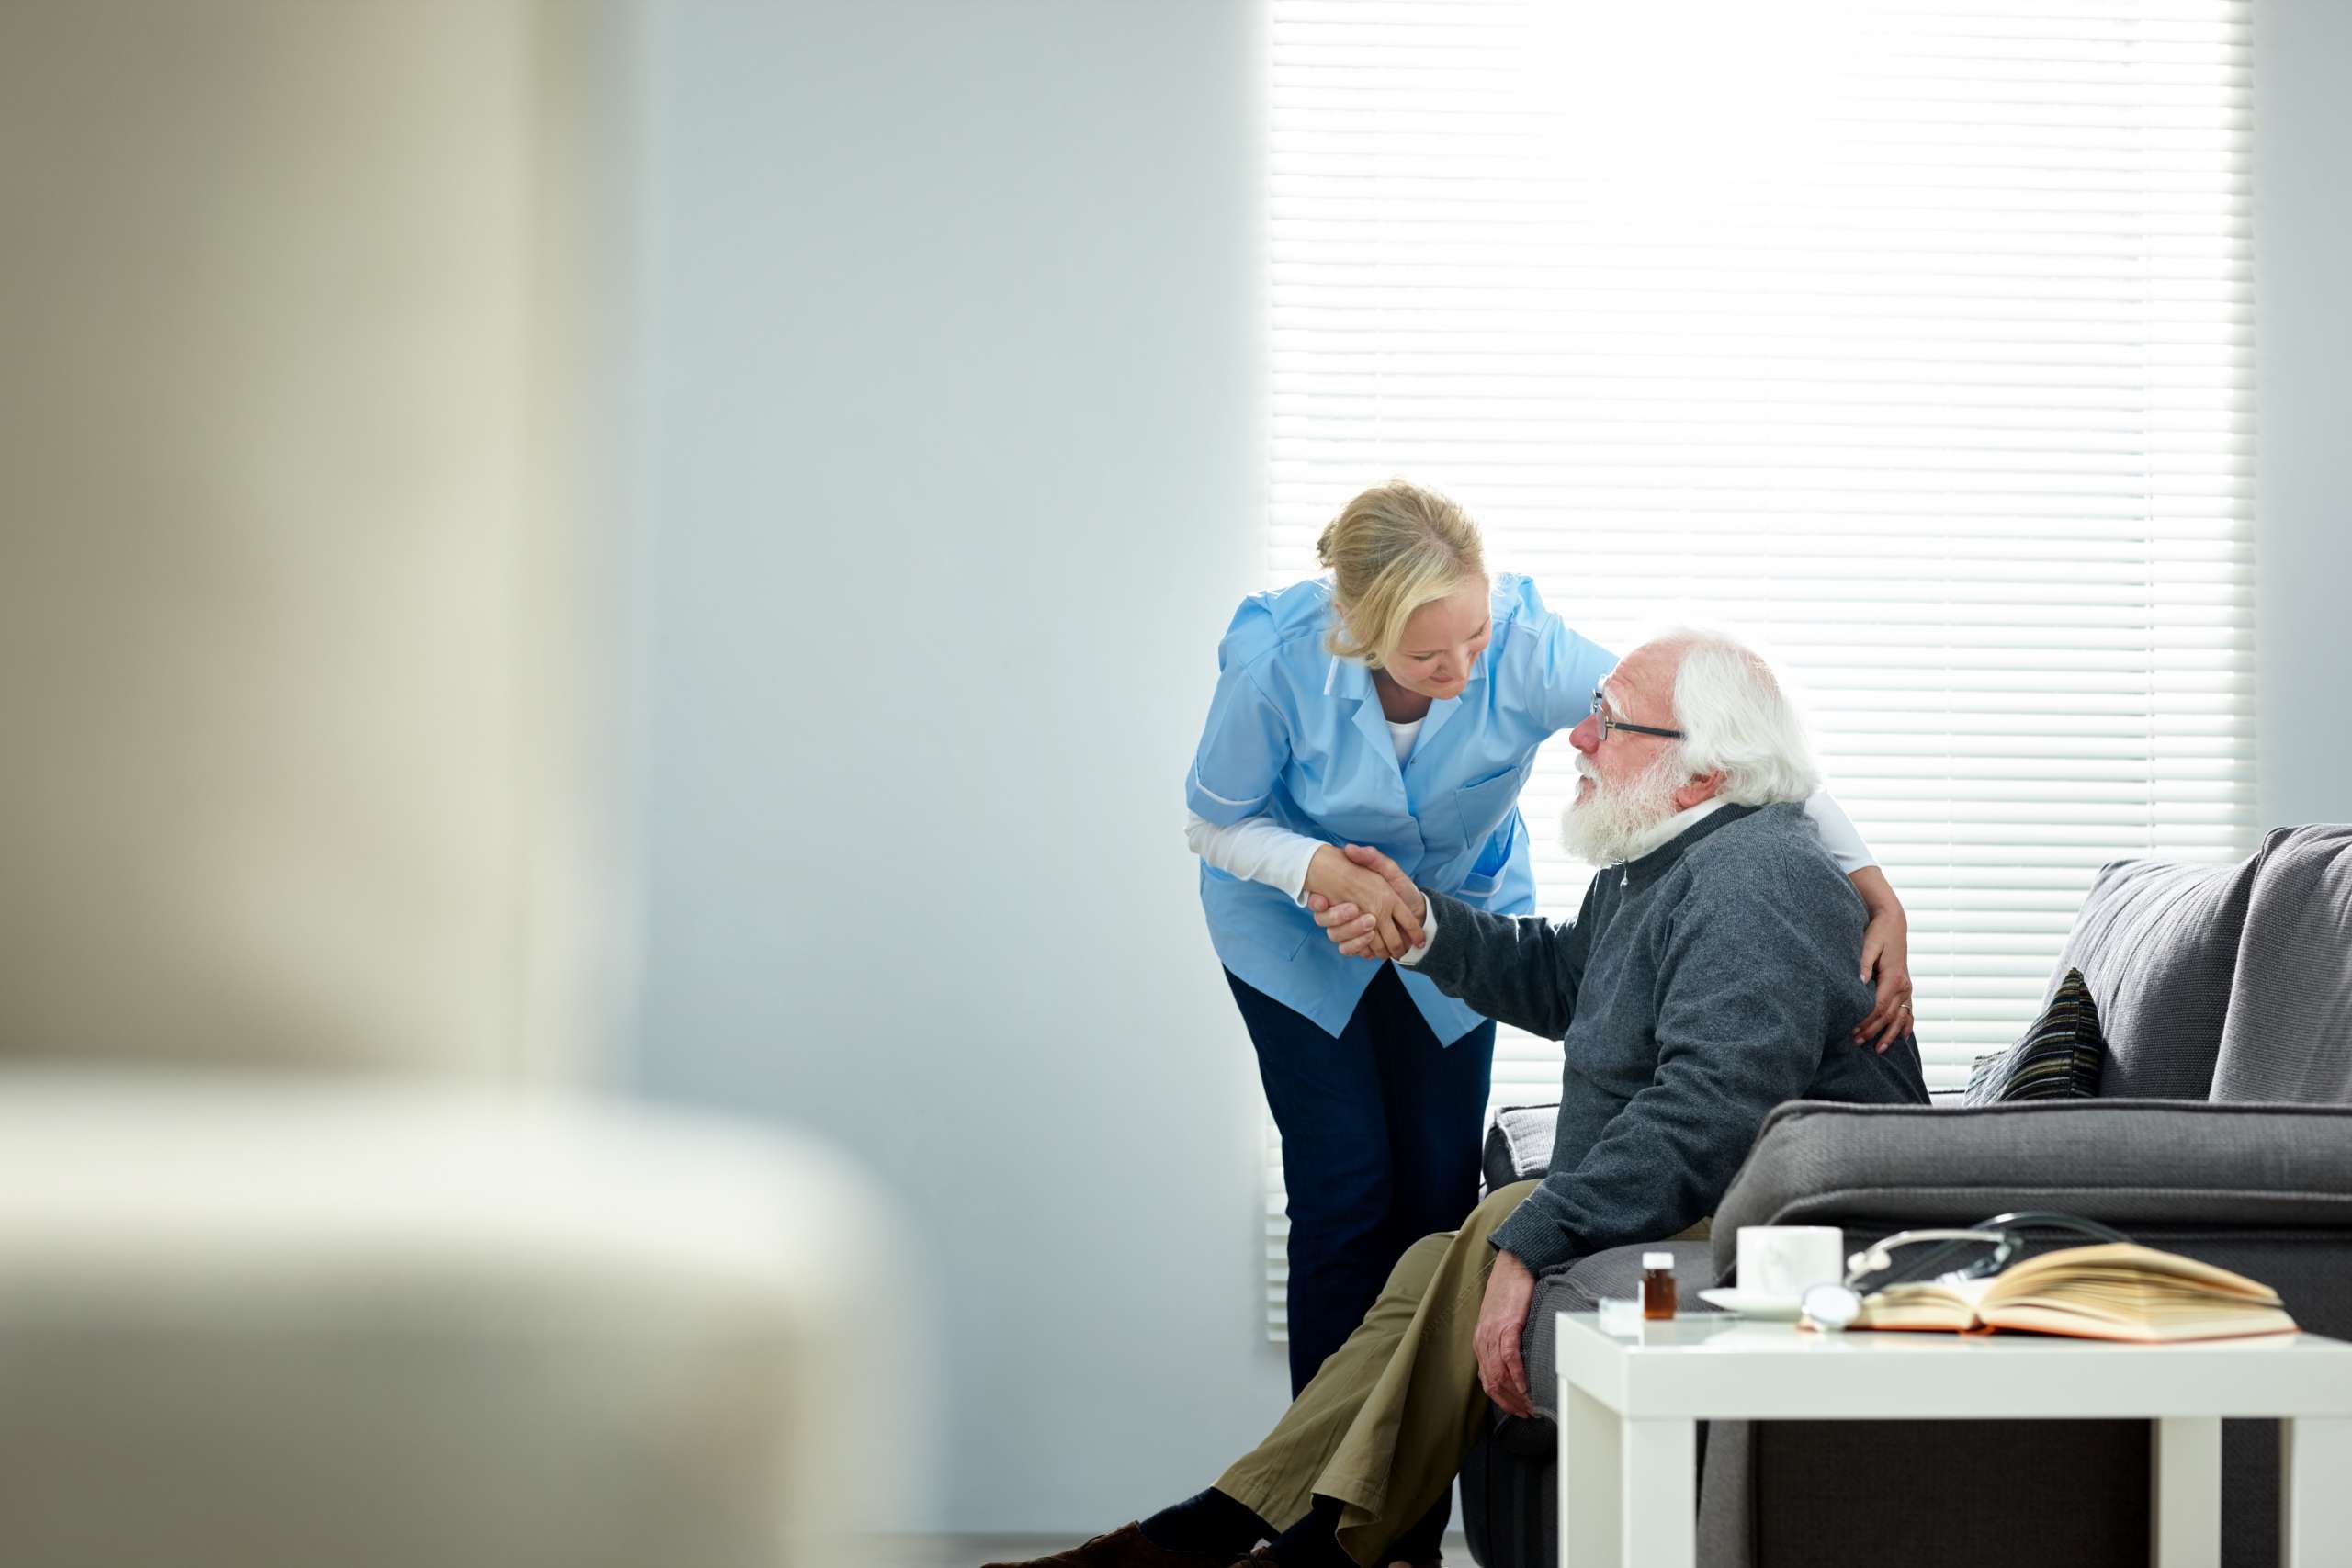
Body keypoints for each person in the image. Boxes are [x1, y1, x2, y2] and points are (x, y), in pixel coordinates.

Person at [995, 631, 1929, 1568]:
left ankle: (1233, 1541)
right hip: (1722, 1195)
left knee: (1496, 1225)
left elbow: (1709, 1111)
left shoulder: (1754, 879)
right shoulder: (1668, 858)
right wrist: (1421, 923)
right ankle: (1267, 1536)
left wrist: (1533, 1242)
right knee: (1434, 1262)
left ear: (1701, 772)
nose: (1578, 739)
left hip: (1781, 1222)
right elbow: (1564, 981)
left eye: (1607, 721)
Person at [1182, 485, 1910, 1499]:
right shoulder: (1277, 666)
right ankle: (1281, 1520)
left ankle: (1268, 1526)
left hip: (1466, 914)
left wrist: (1870, 877)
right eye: (1431, 656)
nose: (1466, 676)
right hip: (1296, 921)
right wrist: (1329, 876)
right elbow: (1215, 821)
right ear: (1357, 632)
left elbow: (1717, 733)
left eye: (1474, 640)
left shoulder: (1744, 868)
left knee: (1443, 1201)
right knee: (1347, 1191)